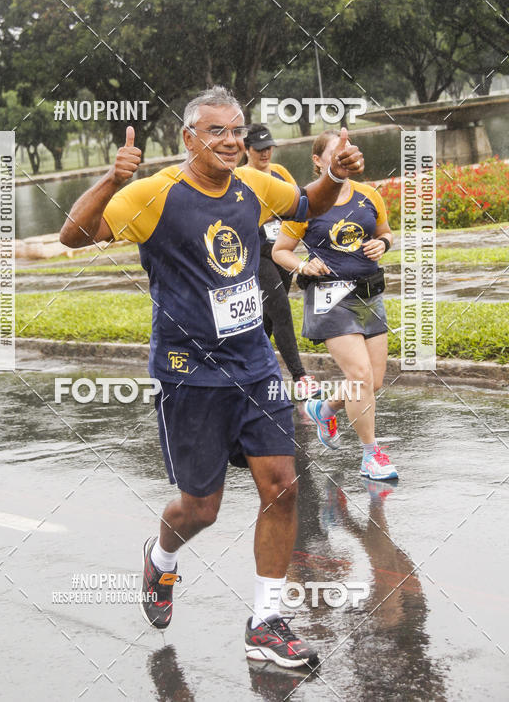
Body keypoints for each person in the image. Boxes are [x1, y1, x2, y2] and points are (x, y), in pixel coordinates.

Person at [60, 87, 364, 668]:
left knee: (283, 485)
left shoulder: (254, 184)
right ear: (189, 137)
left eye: (237, 131)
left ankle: (266, 622)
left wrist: (331, 174)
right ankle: (161, 558)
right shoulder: (153, 195)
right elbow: (74, 236)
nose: (230, 141)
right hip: (188, 374)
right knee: (201, 508)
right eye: (216, 131)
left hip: (255, 364)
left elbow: (307, 206)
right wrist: (110, 178)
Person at [272, 129, 397, 481]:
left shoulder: (369, 195)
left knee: (372, 382)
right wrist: (303, 265)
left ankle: (323, 408)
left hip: (369, 294)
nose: (344, 156)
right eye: (335, 151)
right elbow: (279, 251)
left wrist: (383, 245)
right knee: (359, 378)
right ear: (317, 161)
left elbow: (386, 232)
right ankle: (371, 456)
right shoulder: (306, 204)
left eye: (348, 149)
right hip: (330, 299)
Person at [241, 124, 319, 399]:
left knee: (269, 318)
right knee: (282, 310)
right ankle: (300, 377)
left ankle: (247, 368)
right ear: (246, 150)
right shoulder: (240, 178)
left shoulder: (280, 173)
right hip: (257, 254)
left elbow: (298, 203)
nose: (265, 153)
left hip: (281, 251)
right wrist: (271, 215)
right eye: (259, 149)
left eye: (269, 148)